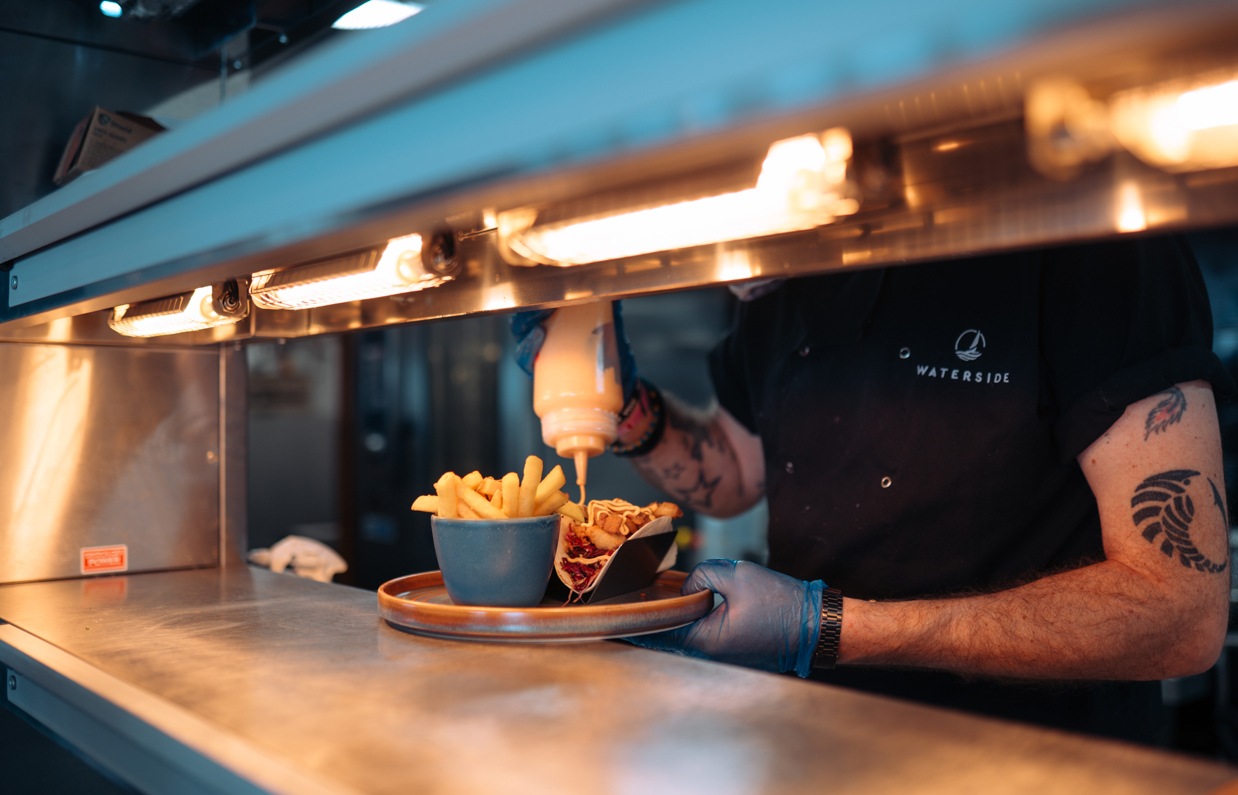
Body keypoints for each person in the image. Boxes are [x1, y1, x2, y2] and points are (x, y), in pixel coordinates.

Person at [515, 234, 1233, 742]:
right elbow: (735, 471)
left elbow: (1178, 610)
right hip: (823, 745)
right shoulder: (783, 266)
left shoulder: (1090, 245)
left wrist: (821, 627)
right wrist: (625, 408)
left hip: (1041, 760)